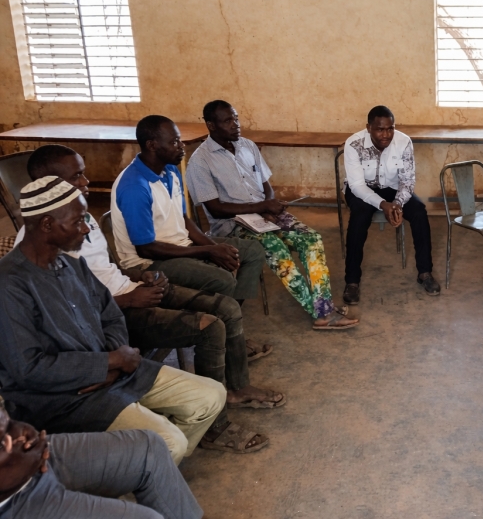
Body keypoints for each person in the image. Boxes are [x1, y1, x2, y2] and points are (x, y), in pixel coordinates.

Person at [13, 145, 280, 454]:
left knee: (226, 309)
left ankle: (232, 390)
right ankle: (211, 429)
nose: (86, 182)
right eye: (77, 176)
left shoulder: (71, 234)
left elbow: (104, 283)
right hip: (118, 317)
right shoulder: (29, 271)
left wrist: (138, 279)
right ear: (47, 187)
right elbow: (52, 343)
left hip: (126, 297)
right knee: (210, 327)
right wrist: (120, 328)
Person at [0, 176, 225, 464]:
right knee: (168, 441)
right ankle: (138, 466)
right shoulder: (9, 284)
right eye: (78, 221)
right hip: (63, 398)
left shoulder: (72, 264)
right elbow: (28, 368)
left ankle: (144, 469)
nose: (86, 229)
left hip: (113, 375)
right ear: (46, 224)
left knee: (211, 396)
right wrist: (107, 363)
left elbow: (110, 314)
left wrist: (115, 358)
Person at [110, 115, 272, 359]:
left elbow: (184, 219)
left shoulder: (170, 171)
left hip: (180, 245)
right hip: (148, 263)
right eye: (174, 142)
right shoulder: (135, 186)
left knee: (252, 252)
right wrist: (207, 251)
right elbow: (146, 249)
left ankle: (228, 327)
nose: (181, 146)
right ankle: (227, 340)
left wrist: (214, 247)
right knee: (222, 280)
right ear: (152, 145)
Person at [186, 100, 357, 330]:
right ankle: (323, 313)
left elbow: (266, 184)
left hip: (264, 213)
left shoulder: (247, 145)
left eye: (236, 118)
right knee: (277, 249)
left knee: (311, 239)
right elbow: (215, 209)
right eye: (228, 121)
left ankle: (323, 306)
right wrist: (259, 208)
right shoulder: (199, 161)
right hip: (233, 224)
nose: (236, 124)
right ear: (211, 125)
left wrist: (268, 205)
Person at [0, 397, 203, 518]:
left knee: (151, 448)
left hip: (17, 454)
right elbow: (30, 369)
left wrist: (12, 427)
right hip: (7, 500)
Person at [342, 105, 440, 303]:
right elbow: (357, 186)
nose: (386, 134)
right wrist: (382, 204)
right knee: (359, 215)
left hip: (393, 188)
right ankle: (352, 281)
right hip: (362, 190)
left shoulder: (404, 142)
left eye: (390, 129)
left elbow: (407, 181)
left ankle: (425, 273)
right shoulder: (354, 144)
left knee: (419, 212)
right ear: (368, 128)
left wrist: (396, 204)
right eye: (380, 129)